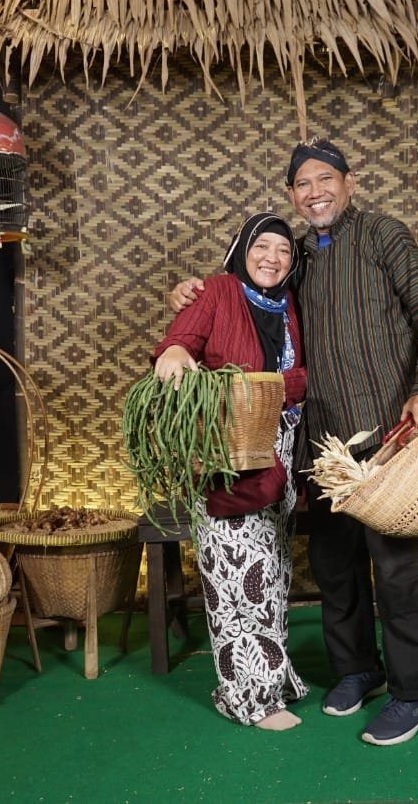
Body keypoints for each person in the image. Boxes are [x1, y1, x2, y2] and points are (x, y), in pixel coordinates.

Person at [171, 139, 418, 746]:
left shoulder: (383, 235)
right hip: (321, 447)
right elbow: (252, 291)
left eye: (325, 179)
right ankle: (357, 670)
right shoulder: (294, 255)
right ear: (292, 195)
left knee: (396, 571)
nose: (315, 192)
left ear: (349, 183)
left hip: (385, 439)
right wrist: (195, 292)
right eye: (303, 184)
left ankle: (414, 695)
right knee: (334, 567)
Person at [152, 211, 309, 732]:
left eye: (283, 250)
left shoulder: (291, 304)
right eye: (262, 246)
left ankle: (273, 679)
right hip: (229, 455)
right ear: (242, 250)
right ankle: (249, 698)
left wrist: (286, 386)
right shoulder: (218, 292)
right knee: (239, 578)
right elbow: (182, 339)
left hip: (281, 456)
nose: (272, 258)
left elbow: (304, 373)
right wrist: (175, 352)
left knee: (273, 574)